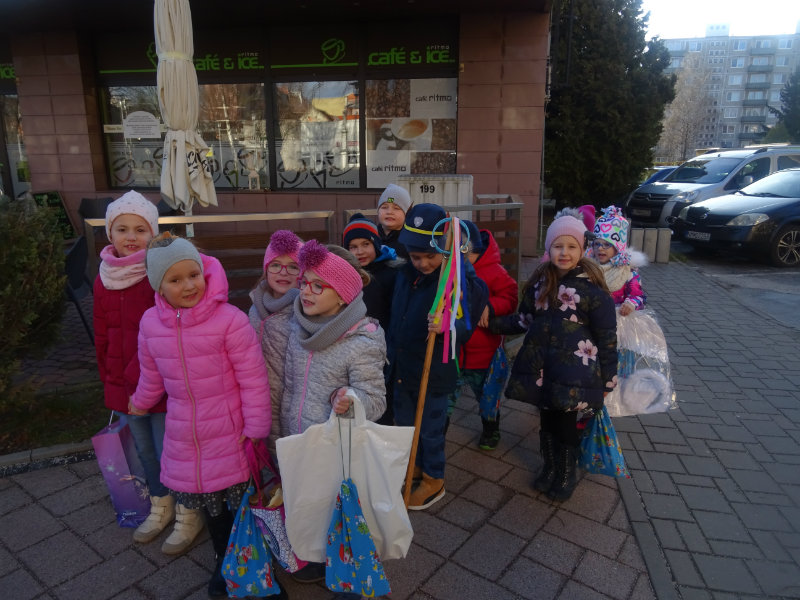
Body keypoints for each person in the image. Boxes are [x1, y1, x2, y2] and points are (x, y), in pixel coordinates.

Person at [128, 233, 271, 598]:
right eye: (175, 280)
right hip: (185, 434)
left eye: (194, 275)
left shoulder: (229, 320)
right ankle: (224, 560)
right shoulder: (150, 324)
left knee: (239, 504)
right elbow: (152, 374)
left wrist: (256, 426)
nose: (189, 285)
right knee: (212, 506)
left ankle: (255, 563)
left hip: (229, 430)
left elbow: (253, 378)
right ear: (159, 286)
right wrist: (140, 402)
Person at [93, 191, 204, 553]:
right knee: (145, 451)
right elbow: (102, 334)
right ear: (110, 233)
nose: (131, 237)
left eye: (140, 230)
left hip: (161, 384)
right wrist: (109, 378)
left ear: (152, 233)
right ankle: (161, 504)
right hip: (122, 385)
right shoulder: (104, 277)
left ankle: (188, 511)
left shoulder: (158, 274)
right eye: (122, 229)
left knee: (173, 450)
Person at [280, 240, 386, 595]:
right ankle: (313, 554)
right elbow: (289, 385)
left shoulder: (362, 340)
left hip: (336, 448)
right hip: (299, 435)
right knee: (308, 500)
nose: (306, 292)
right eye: (304, 283)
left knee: (334, 505)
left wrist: (350, 399)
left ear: (342, 296)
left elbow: (375, 399)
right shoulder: (298, 327)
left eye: (318, 286)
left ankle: (346, 566)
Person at [489, 210, 617, 501]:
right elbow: (524, 319)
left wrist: (609, 378)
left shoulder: (593, 291)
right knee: (547, 420)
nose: (564, 252)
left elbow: (607, 338)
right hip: (543, 369)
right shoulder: (540, 283)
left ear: (582, 250)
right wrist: (489, 323)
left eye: (572, 246)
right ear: (549, 248)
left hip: (575, 373)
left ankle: (566, 473)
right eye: (558, 246)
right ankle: (550, 467)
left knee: (566, 424)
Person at [387, 204, 488, 510]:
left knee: (430, 431)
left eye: (430, 256)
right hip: (404, 367)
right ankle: (414, 468)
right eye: (415, 256)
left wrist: (448, 325)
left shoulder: (457, 282)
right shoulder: (406, 275)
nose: (423, 263)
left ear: (446, 250)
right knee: (406, 425)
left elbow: (465, 325)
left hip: (434, 373)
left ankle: (434, 479)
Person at [447, 219, 518, 450]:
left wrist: (490, 306)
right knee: (446, 397)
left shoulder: (494, 271)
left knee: (487, 396)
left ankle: (490, 429)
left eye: (465, 253)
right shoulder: (447, 271)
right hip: (453, 352)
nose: (460, 258)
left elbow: (511, 296)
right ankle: (438, 430)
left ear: (476, 250)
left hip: (484, 353)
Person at [249, 229, 303, 451]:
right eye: (276, 265)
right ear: (266, 268)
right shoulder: (255, 307)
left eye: (293, 266)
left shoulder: (305, 310)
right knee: (267, 451)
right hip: (261, 397)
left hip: (292, 401)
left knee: (290, 452)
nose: (283, 272)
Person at [586, 205, 646, 316]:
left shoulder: (628, 273)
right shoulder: (587, 267)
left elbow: (638, 296)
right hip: (589, 317)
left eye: (606, 244)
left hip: (617, 319)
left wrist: (631, 304)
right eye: (597, 244)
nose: (600, 248)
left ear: (618, 248)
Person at [376, 183, 412, 259]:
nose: (389, 212)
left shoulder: (410, 242)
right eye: (384, 207)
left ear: (406, 213)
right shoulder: (371, 237)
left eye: (396, 208)